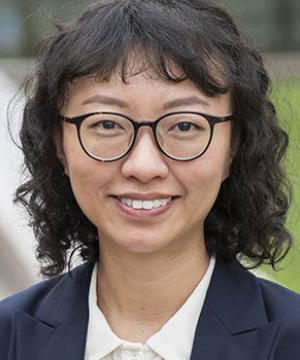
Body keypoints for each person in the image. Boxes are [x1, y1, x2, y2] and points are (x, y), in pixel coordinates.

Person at [1, 0, 300, 359]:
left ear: (233, 148)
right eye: (107, 124)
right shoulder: (9, 338)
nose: (143, 166)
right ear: (59, 146)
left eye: (185, 125)